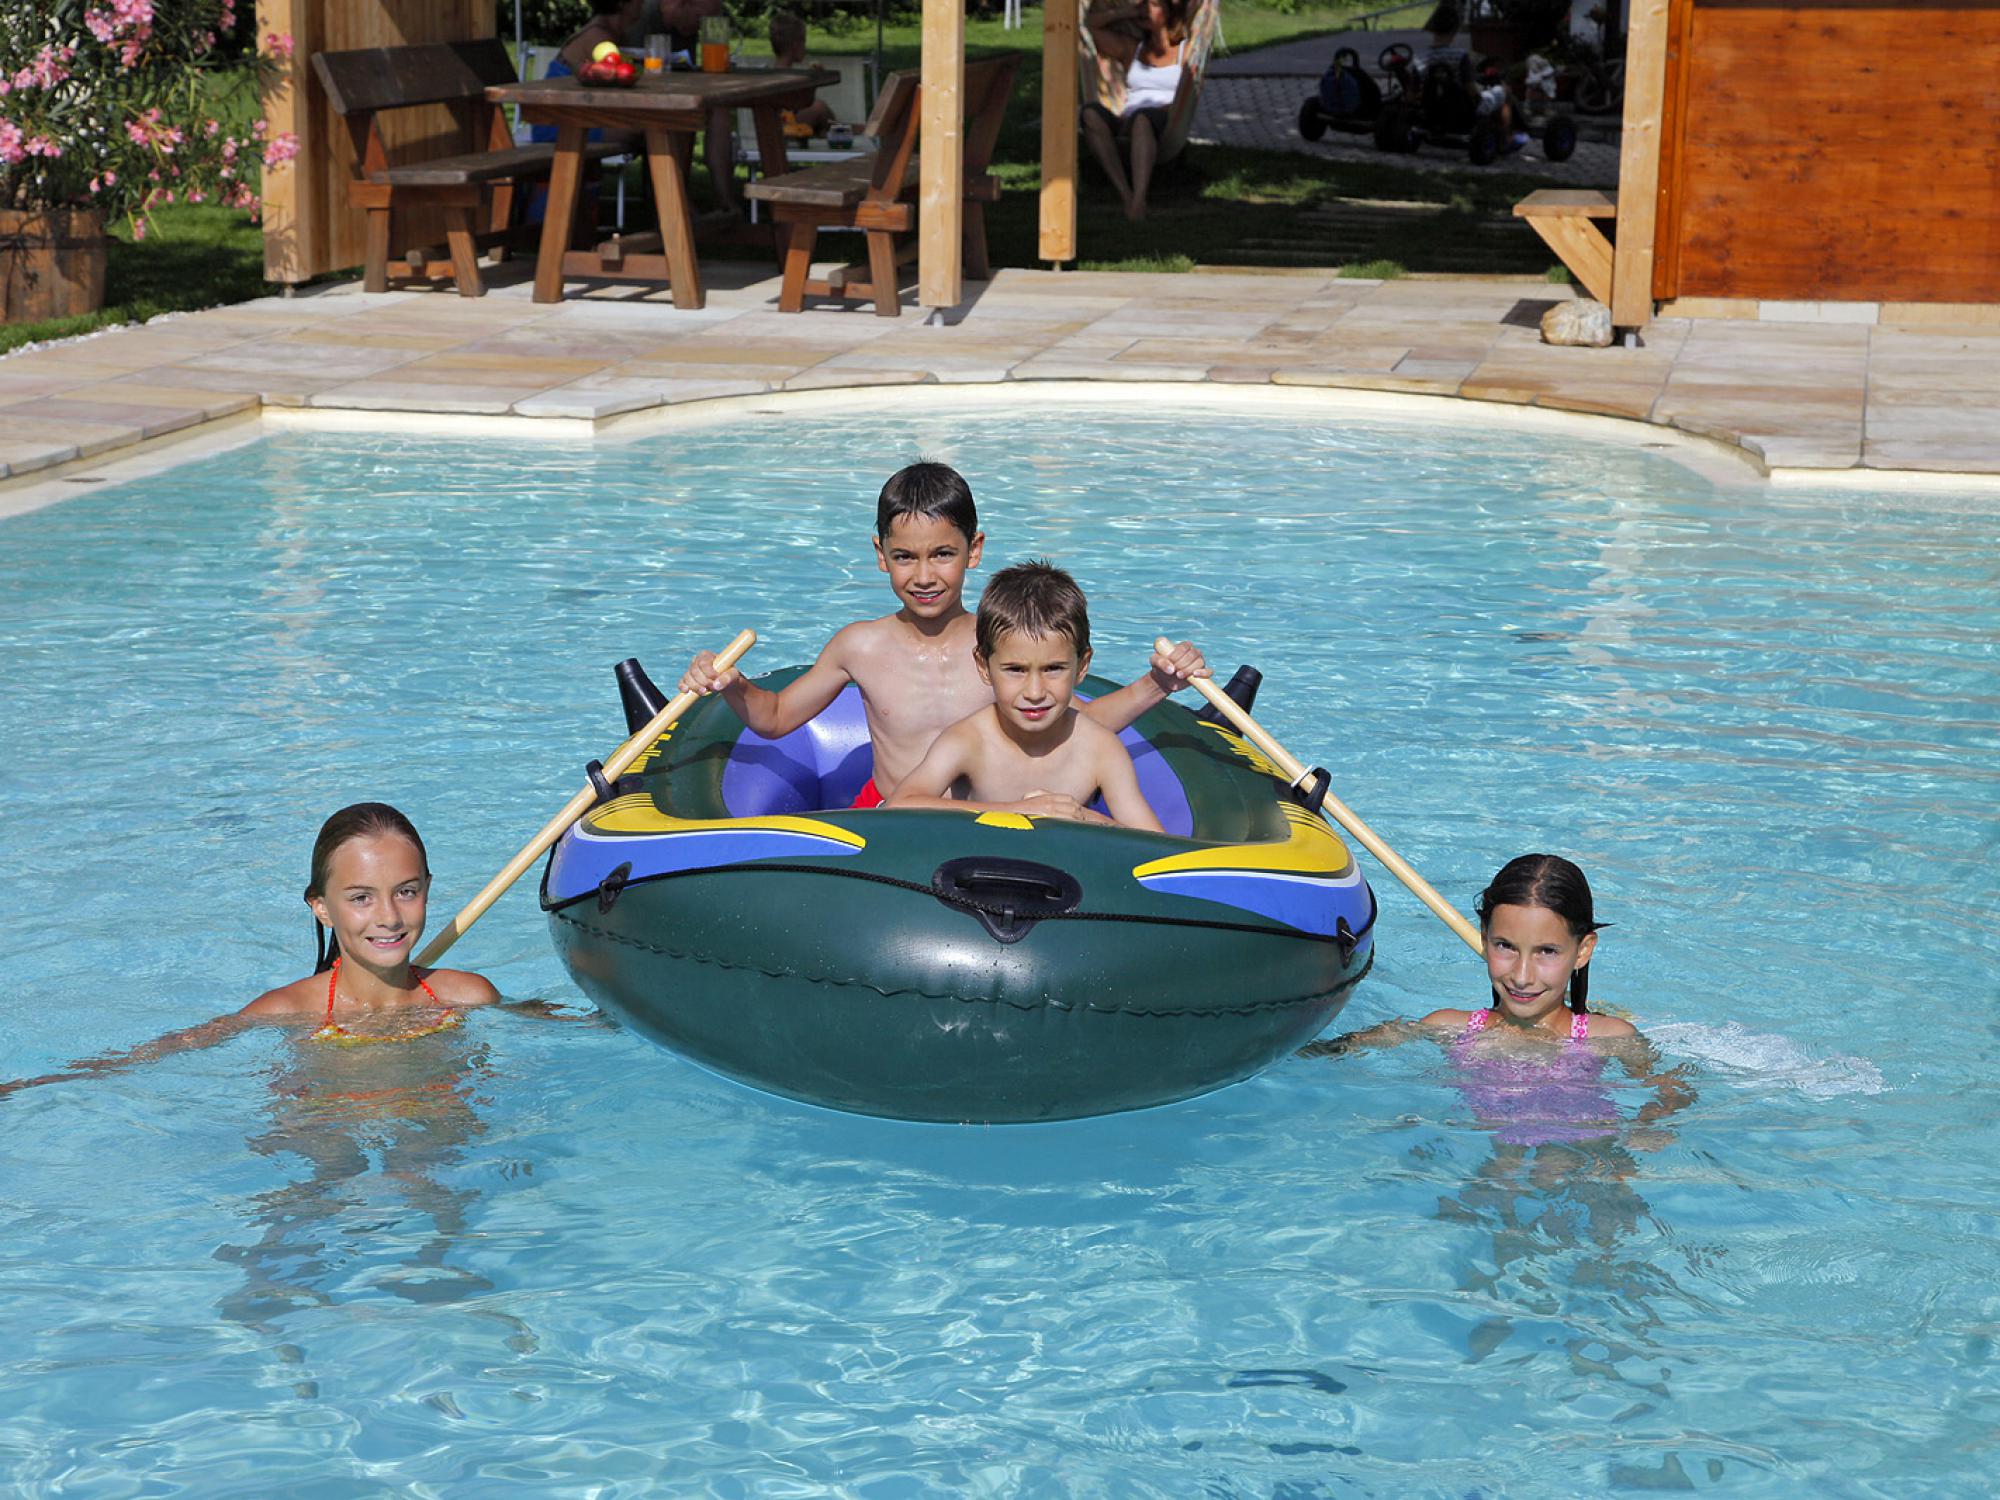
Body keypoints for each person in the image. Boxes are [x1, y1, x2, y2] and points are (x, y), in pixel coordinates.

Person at [678, 461, 1207, 807]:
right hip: (895, 816)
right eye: (905, 557)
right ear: (880, 555)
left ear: (974, 551)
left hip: (988, 816)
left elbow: (1081, 721)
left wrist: (1157, 685)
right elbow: (775, 719)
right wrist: (730, 685)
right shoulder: (860, 646)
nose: (925, 576)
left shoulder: (1001, 647)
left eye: (944, 555)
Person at [0, 805, 508, 1100]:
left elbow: (559, 1026)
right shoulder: (287, 1012)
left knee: (428, 1170)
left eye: (406, 890)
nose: (390, 917)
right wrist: (40, 1082)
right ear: (322, 909)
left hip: (430, 1127)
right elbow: (168, 1050)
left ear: (428, 889)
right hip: (324, 1125)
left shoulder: (467, 995)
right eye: (360, 897)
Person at [1306, 854, 1691, 1146]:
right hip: (1495, 1162)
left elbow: (1674, 1087)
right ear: (1484, 936)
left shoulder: (1607, 1036)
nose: (1522, 976)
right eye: (1505, 946)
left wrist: (1648, 1124)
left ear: (1583, 950)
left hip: (1589, 1158)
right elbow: (1352, 1046)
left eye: (1547, 952)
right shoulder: (1449, 1026)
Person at [887, 560, 1164, 829]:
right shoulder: (969, 741)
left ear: (1082, 666)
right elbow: (898, 805)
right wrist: (1016, 812)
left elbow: (1156, 845)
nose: (1034, 692)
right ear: (984, 666)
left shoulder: (1101, 748)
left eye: (1053, 668)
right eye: (1015, 670)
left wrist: (1084, 817)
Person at [1081, 0, 1197, 221]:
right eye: (1142, 4)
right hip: (1128, 117)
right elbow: (1089, 27)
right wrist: (1127, 11)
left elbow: (1186, 97)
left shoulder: (1186, 51)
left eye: (1152, 4)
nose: (1145, 9)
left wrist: (1161, 111)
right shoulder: (1133, 48)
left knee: (1142, 119)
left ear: (1170, 11)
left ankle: (1139, 199)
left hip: (1166, 120)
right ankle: (1126, 195)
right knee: (1090, 113)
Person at [1419, 2, 1525, 153]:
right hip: (1464, 110)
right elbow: (1470, 90)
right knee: (1503, 91)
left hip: (1432, 110)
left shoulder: (1420, 58)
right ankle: (1505, 139)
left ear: (1432, 27)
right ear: (1455, 29)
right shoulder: (1460, 56)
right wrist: (1481, 95)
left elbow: (1413, 92)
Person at [768, 10, 834, 136]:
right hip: (783, 125)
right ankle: (845, 130)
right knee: (819, 107)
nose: (806, 47)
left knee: (822, 117)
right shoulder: (788, 76)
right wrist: (814, 81)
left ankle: (828, 130)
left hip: (785, 121)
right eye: (804, 42)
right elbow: (804, 103)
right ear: (795, 46)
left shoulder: (774, 71)